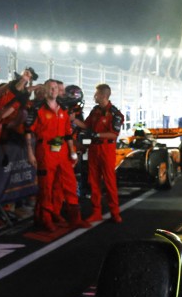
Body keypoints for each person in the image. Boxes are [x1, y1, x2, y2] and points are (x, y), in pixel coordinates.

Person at [26, 79, 87, 230]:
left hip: (63, 151)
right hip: (45, 151)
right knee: (46, 185)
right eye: (51, 88)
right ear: (45, 90)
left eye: (55, 88)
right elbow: (28, 132)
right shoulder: (36, 109)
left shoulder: (64, 109)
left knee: (70, 183)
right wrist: (30, 153)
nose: (53, 90)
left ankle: (75, 218)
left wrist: (72, 151)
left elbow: (68, 132)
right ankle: (46, 219)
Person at [82, 83, 124, 222]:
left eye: (97, 94)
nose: (95, 96)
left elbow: (113, 135)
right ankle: (96, 212)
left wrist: (97, 135)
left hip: (106, 149)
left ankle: (115, 212)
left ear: (104, 96)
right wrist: (73, 120)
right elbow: (86, 125)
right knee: (93, 181)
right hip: (94, 149)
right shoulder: (95, 111)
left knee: (109, 181)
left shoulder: (115, 114)